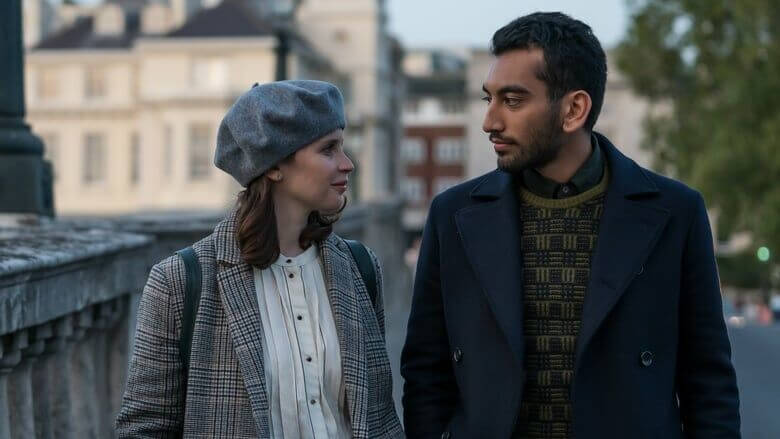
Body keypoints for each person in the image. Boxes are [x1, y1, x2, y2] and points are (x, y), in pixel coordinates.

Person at [401, 12, 740, 439]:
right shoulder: (452, 215)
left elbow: (708, 383)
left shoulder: (676, 213)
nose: (490, 121)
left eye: (513, 100)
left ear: (574, 109)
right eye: (489, 99)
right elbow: (426, 374)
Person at [116, 80, 404, 438]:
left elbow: (379, 416)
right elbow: (144, 427)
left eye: (342, 147)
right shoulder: (179, 281)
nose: (348, 164)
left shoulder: (360, 267)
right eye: (328, 149)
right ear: (274, 166)